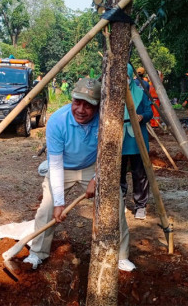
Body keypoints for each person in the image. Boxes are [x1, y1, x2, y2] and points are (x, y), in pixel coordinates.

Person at [24, 77, 136, 272]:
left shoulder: (107, 121)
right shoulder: (57, 121)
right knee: (47, 209)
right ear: (71, 99)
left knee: (115, 205)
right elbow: (56, 165)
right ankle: (37, 253)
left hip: (93, 166)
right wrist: (59, 203)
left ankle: (121, 255)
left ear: (98, 105)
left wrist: (96, 178)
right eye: (77, 102)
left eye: (88, 105)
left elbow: (109, 155)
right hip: (63, 168)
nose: (81, 110)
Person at [121, 64, 153, 220]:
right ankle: (120, 202)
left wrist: (141, 117)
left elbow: (149, 112)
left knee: (139, 173)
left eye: (126, 77)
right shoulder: (112, 95)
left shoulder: (140, 93)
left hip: (137, 139)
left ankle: (140, 205)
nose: (124, 81)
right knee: (118, 173)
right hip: (119, 139)